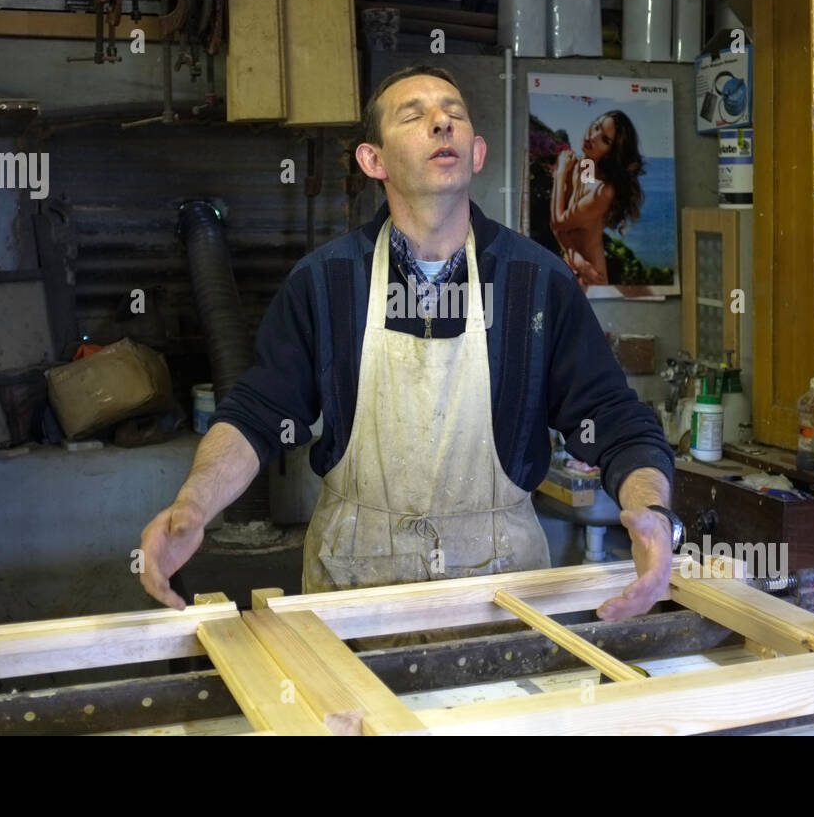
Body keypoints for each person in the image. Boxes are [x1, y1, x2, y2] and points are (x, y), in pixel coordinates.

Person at [139, 65, 678, 623]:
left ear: (476, 153)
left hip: (500, 592)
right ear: (373, 161)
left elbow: (613, 418)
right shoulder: (325, 282)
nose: (441, 122)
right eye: (414, 116)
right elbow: (257, 414)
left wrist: (653, 513)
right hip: (353, 591)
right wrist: (193, 505)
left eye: (454, 113)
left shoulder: (537, 281)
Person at [549, 110, 645, 287]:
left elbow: (558, 222)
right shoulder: (586, 167)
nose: (592, 136)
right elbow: (562, 227)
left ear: (610, 152)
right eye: (596, 126)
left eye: (605, 139)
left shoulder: (603, 191)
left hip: (592, 278)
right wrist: (577, 260)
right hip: (574, 267)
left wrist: (560, 172)